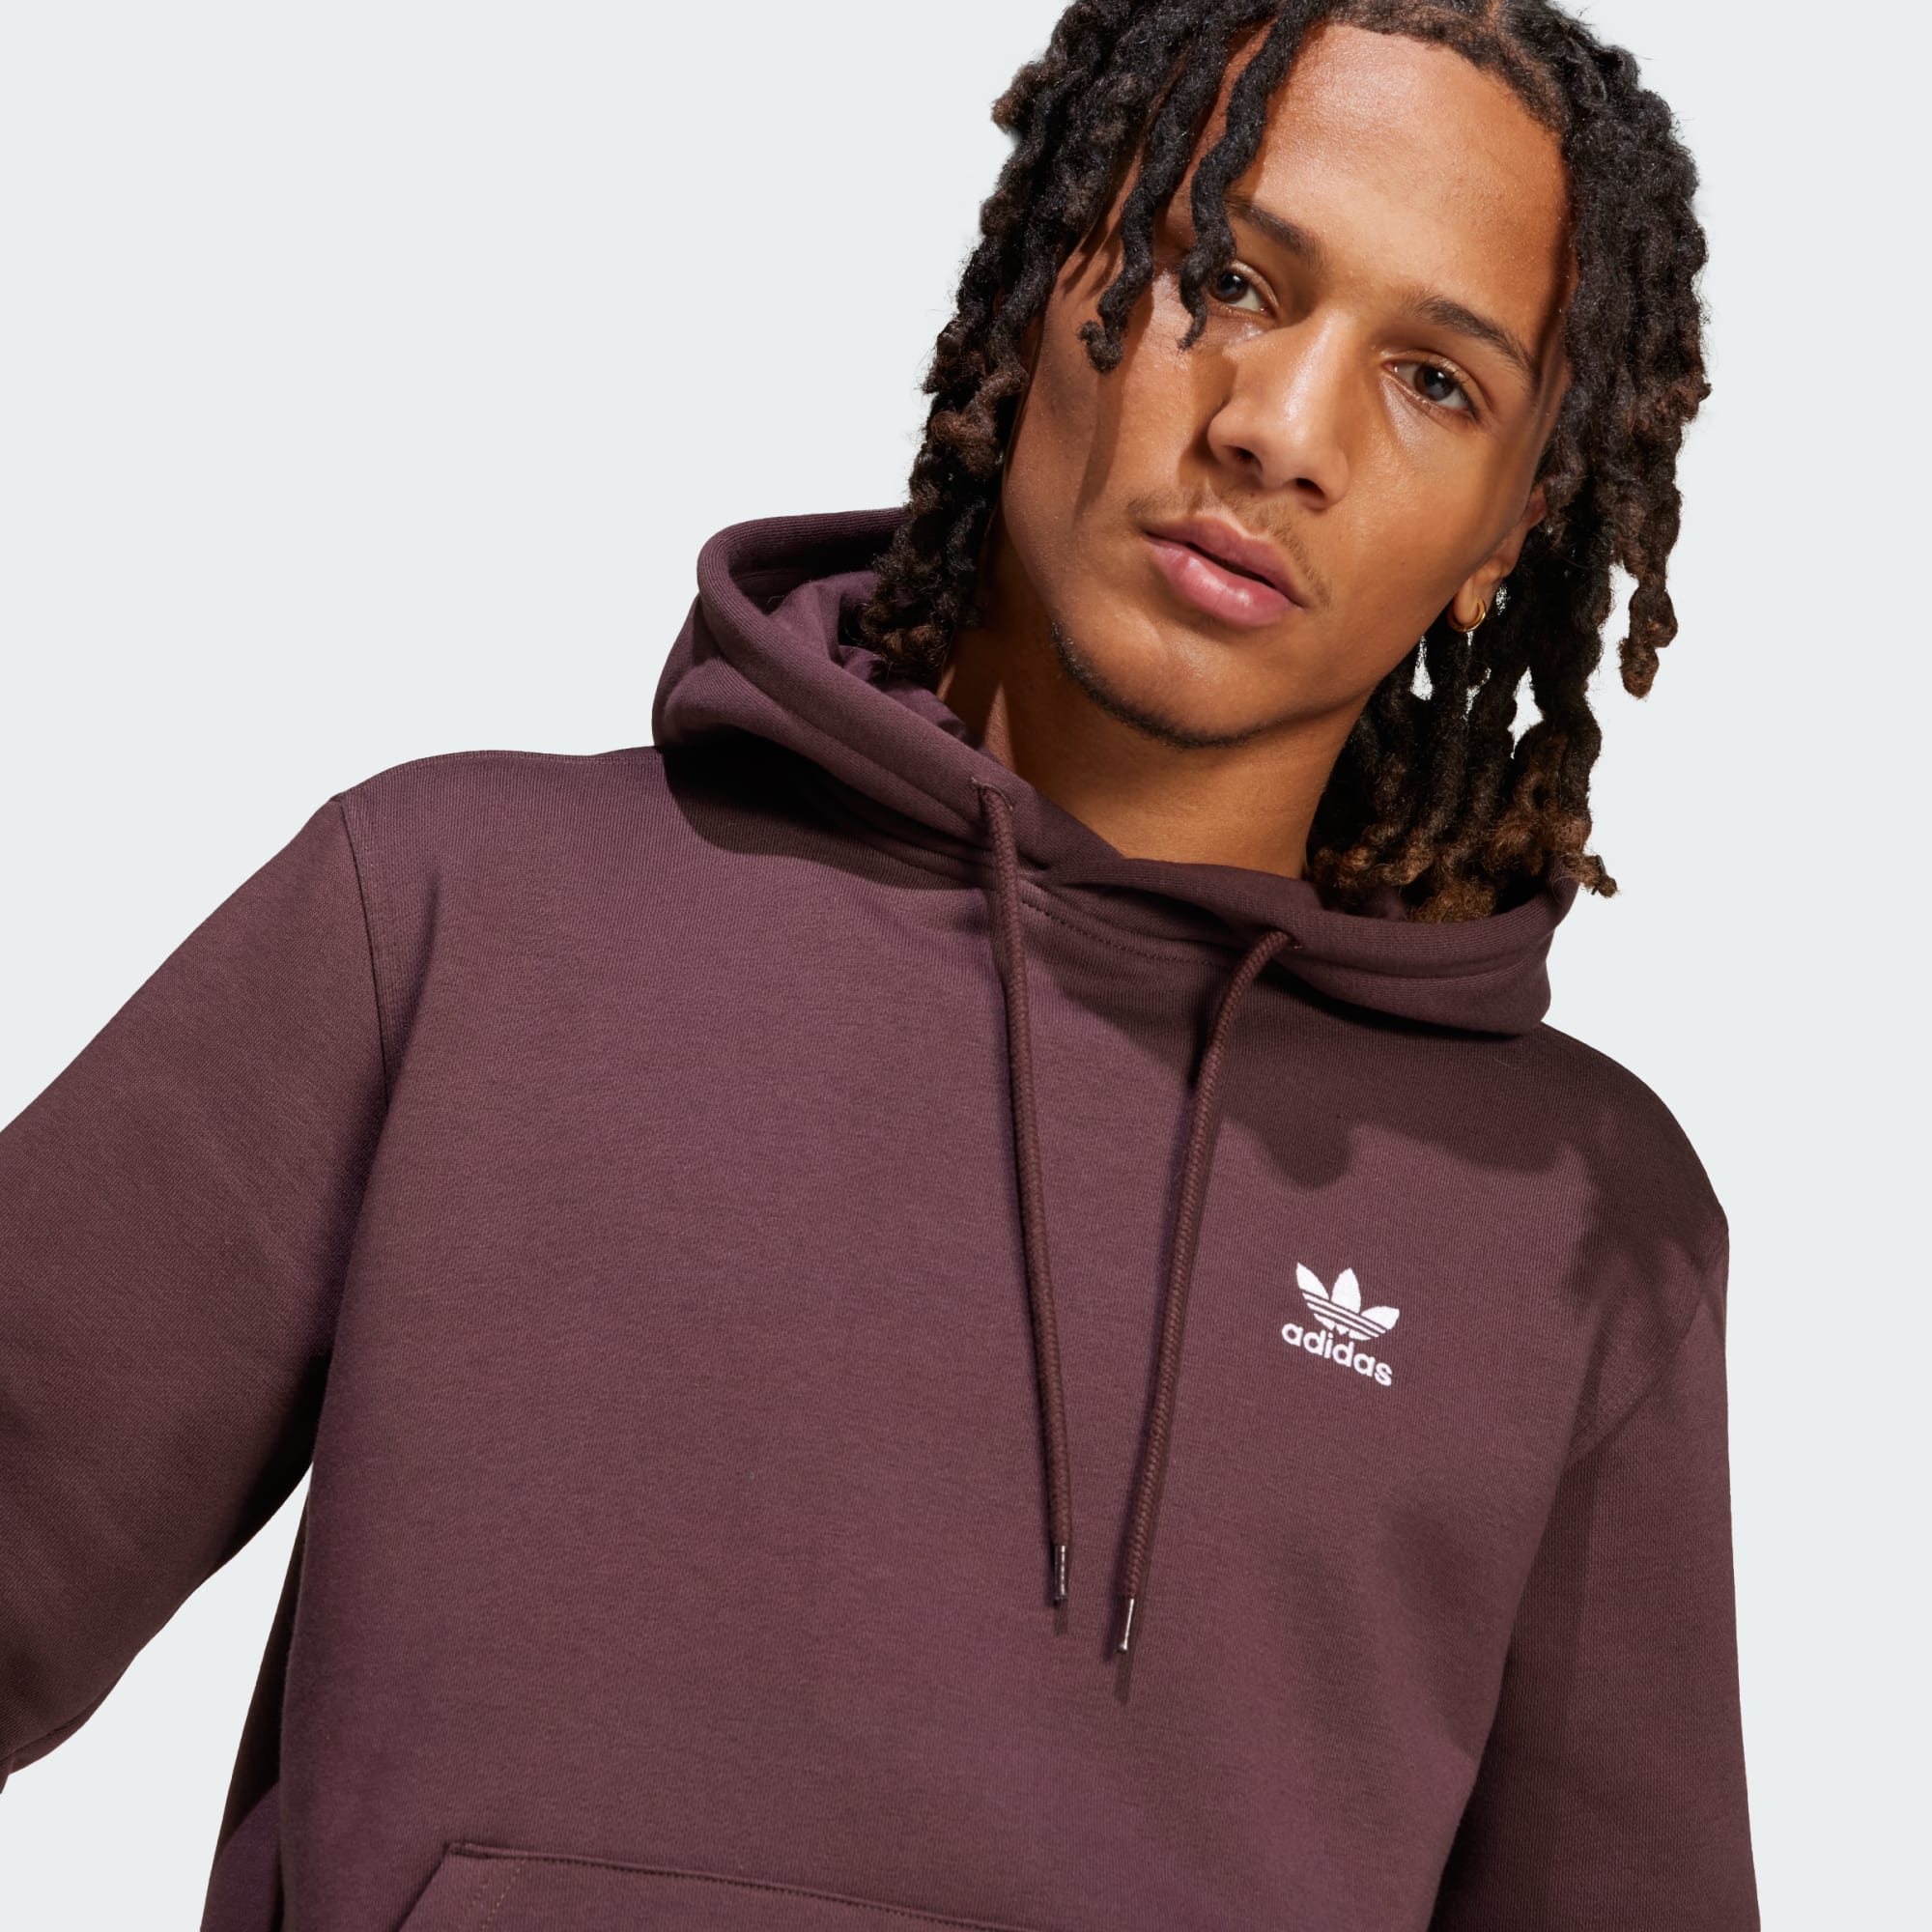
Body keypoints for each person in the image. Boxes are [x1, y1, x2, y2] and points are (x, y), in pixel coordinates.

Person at [0, 3, 1758, 1927]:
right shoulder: (451, 916)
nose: (1279, 427)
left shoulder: (1571, 1222)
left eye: (1433, 380)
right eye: (1226, 278)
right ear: (1048, 276)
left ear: (1512, 527)